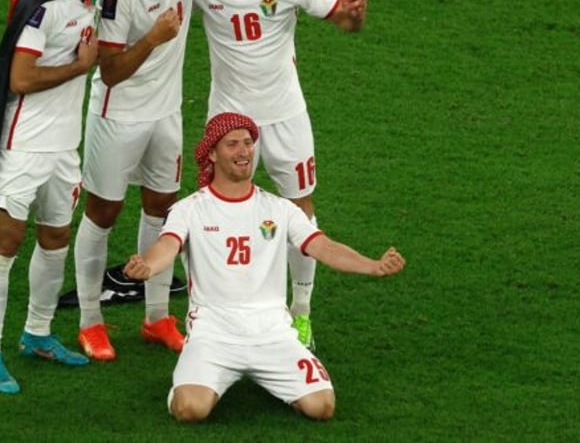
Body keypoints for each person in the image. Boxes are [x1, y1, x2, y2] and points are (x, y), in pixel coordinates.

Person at [123, 112, 406, 422]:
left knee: (321, 407)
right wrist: (148, 266)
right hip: (213, 334)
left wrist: (373, 266)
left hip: (273, 333)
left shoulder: (280, 209)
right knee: (189, 409)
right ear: (213, 154)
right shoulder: (189, 209)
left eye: (248, 143)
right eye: (232, 144)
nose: (244, 151)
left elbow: (323, 246)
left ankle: (267, 374)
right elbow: (167, 246)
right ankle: (190, 381)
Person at [193, 0, 369, 350]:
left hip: (286, 114)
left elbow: (344, 22)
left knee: (301, 210)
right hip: (230, 115)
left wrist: (354, 14)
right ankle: (207, 310)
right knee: (216, 209)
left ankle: (301, 312)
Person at [0, 0, 120, 394]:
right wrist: (80, 68)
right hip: (25, 144)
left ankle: (37, 333)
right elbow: (19, 78)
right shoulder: (44, 2)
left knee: (56, 237)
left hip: (64, 147)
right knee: (7, 242)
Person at [71, 0, 207, 362]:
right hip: (119, 113)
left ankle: (156, 319)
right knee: (103, 212)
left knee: (162, 208)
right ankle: (90, 322)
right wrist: (153, 38)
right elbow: (109, 71)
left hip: (166, 111)